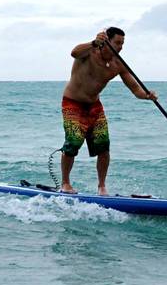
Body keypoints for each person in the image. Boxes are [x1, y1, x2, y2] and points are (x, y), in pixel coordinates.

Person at [60, 27, 157, 195]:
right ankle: (65, 184)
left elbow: (135, 89)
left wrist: (147, 96)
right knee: (73, 143)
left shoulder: (118, 64)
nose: (120, 47)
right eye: (117, 43)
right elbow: (74, 52)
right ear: (107, 41)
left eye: (122, 44)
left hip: (94, 106)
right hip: (73, 103)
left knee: (103, 147)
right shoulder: (89, 52)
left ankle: (102, 186)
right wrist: (93, 42)